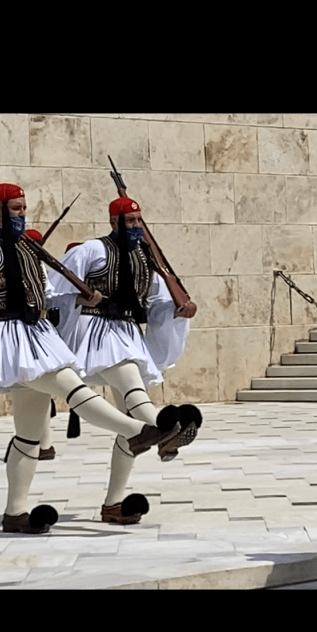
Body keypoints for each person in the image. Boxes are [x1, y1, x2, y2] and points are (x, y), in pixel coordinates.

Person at [0, 183, 199, 534]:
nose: (21, 214)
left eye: (23, 208)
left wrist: (79, 300)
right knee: (73, 387)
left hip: (36, 335)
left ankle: (15, 513)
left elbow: (50, 296)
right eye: (16, 209)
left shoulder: (28, 250)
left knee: (28, 436)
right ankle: (140, 431)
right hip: (7, 338)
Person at [52, 195, 201, 526]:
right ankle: (166, 429)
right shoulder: (92, 250)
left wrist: (179, 310)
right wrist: (80, 299)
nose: (135, 226)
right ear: (113, 221)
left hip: (127, 331)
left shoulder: (144, 258)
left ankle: (113, 504)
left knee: (128, 423)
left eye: (138, 221)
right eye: (129, 221)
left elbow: (159, 303)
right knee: (133, 385)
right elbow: (53, 290)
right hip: (97, 331)